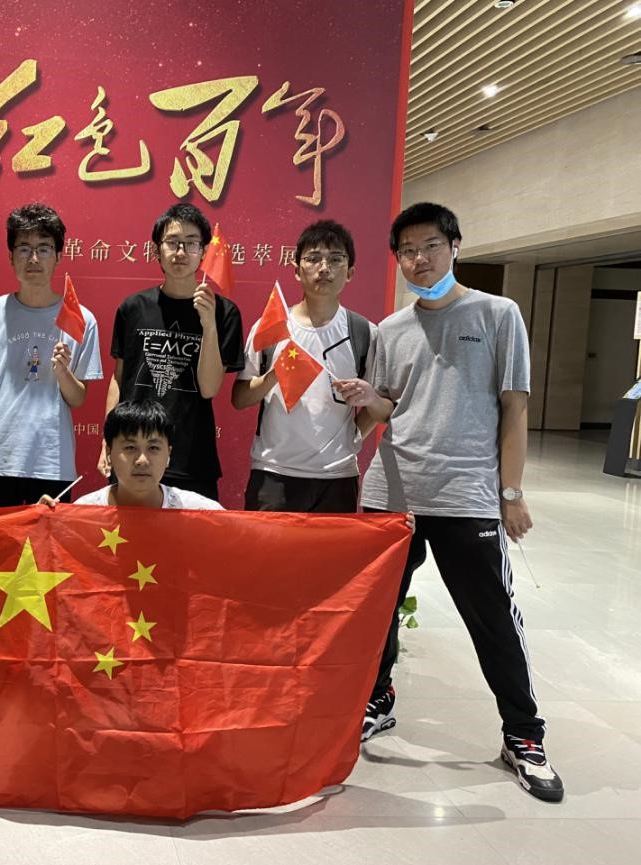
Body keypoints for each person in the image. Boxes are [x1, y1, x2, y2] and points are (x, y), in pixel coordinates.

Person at [337, 201, 563, 802]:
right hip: (392, 494)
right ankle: (377, 699)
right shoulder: (390, 329)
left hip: (466, 495)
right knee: (377, 612)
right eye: (408, 251)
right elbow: (390, 406)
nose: (419, 259)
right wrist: (368, 400)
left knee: (493, 619)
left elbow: (514, 408)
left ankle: (524, 735)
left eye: (431, 246)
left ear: (455, 246)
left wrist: (510, 493)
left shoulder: (497, 314)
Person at [102, 202, 243, 501]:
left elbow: (209, 388)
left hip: (192, 456)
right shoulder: (133, 308)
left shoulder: (224, 312)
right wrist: (108, 438)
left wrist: (209, 325)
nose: (181, 252)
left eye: (191, 243)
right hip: (134, 453)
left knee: (193, 533)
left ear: (203, 252)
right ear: (157, 250)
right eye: (173, 242)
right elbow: (119, 378)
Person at [232, 220, 375, 512]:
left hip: (338, 477)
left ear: (350, 272)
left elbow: (377, 403)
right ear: (297, 270)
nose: (324, 268)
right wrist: (273, 376)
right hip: (273, 473)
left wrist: (353, 437)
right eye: (313, 258)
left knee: (332, 546)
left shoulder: (364, 332)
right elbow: (240, 398)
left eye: (335, 259)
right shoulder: (272, 326)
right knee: (267, 545)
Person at [0, 203, 103, 506]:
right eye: (24, 249)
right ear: (10, 256)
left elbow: (78, 398)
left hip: (51, 460)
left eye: (44, 249)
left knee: (48, 539)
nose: (33, 258)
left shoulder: (80, 318)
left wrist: (63, 372)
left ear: (58, 256)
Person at [42, 400, 222, 511]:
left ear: (168, 454)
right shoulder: (84, 512)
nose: (142, 460)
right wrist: (40, 524)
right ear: (109, 453)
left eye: (153, 448)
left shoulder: (200, 512)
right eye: (130, 448)